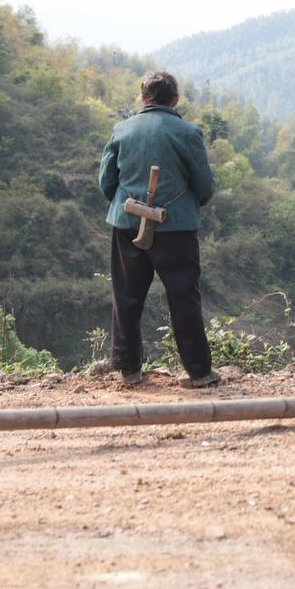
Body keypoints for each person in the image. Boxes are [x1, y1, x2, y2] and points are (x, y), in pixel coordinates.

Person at [98, 69, 220, 387]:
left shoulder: (122, 130)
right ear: (175, 99)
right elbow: (204, 185)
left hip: (127, 224)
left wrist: (128, 207)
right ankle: (199, 373)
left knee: (127, 296)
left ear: (143, 98)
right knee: (184, 297)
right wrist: (186, 207)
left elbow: (106, 181)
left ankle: (129, 371)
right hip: (175, 228)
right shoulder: (188, 133)